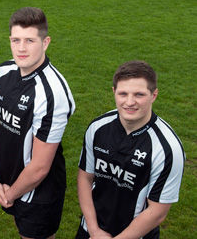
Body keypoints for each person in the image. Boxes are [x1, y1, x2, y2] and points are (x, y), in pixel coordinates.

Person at [0, 7, 75, 239]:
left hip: (39, 195)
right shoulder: (1, 72)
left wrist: (10, 194)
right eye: (16, 40)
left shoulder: (53, 94)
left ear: (45, 42)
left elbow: (39, 167)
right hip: (8, 183)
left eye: (29, 40)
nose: (21, 48)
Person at [76, 60, 185, 239]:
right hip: (91, 230)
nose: (130, 102)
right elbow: (85, 178)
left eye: (139, 94)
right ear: (114, 92)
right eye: (123, 93)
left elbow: (158, 211)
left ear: (154, 95)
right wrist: (94, 230)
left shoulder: (168, 149)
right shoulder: (97, 128)